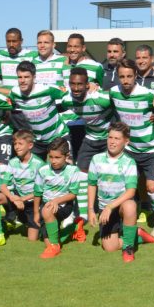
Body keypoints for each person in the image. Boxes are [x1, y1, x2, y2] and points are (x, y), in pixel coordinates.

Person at [109, 59, 154, 236]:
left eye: (129, 76)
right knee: (125, 185)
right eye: (122, 77)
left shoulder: (149, 94)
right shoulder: (113, 93)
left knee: (151, 186)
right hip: (130, 149)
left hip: (152, 148)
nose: (125, 80)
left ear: (136, 76)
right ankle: (122, 218)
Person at [87, 123, 154, 262]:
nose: (112, 142)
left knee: (130, 205)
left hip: (120, 207)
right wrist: (90, 209)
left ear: (126, 142)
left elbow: (131, 192)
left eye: (117, 139)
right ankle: (137, 234)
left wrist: (110, 206)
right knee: (109, 248)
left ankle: (128, 248)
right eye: (110, 137)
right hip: (105, 210)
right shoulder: (96, 159)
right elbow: (91, 184)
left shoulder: (129, 162)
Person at [59, 67, 115, 224]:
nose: (76, 88)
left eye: (80, 84)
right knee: (81, 172)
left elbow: (121, 99)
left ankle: (112, 211)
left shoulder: (101, 98)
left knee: (109, 174)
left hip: (108, 139)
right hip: (90, 138)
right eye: (72, 84)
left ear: (87, 85)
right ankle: (82, 214)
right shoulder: (67, 100)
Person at [0, 129, 44, 248]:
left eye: (20, 144)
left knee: (32, 239)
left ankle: (40, 224)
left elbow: (41, 191)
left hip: (33, 203)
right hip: (17, 199)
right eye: (15, 144)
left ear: (30, 145)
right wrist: (13, 197)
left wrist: (22, 199)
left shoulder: (39, 164)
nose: (16, 147)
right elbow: (3, 185)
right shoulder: (12, 162)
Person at [7, 60, 70, 159]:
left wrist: (62, 107)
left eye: (26, 77)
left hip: (58, 137)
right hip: (37, 142)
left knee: (64, 169)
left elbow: (69, 93)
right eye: (20, 77)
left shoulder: (47, 89)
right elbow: (7, 105)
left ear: (34, 77)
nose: (23, 80)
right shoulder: (14, 93)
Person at [33, 138, 83, 259]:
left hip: (65, 205)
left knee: (47, 211)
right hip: (45, 204)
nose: (53, 161)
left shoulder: (73, 170)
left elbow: (73, 194)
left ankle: (54, 246)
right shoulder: (42, 170)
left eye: (57, 157)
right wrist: (35, 213)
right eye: (51, 157)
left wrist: (55, 201)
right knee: (44, 239)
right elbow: (37, 193)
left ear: (67, 156)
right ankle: (74, 227)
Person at [0, 28, 37, 94]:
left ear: (21, 41)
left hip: (23, 99)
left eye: (14, 41)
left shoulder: (32, 55)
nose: (11, 45)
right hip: (7, 100)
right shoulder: (1, 54)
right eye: (8, 41)